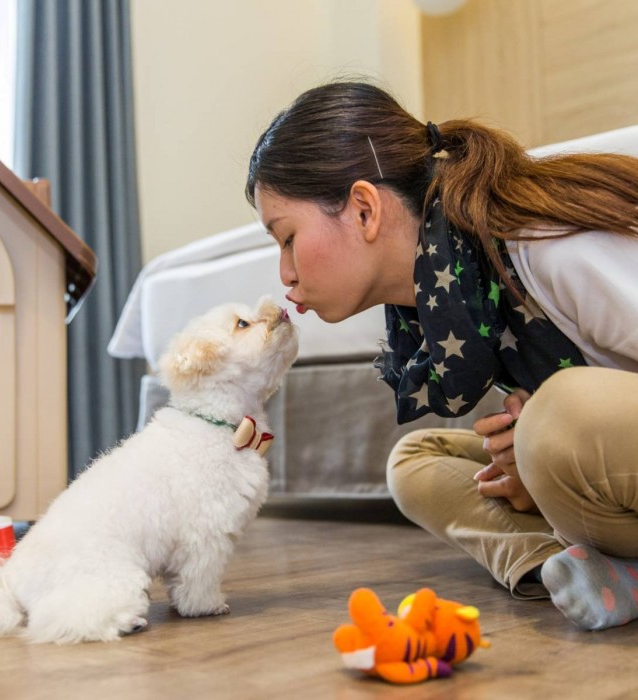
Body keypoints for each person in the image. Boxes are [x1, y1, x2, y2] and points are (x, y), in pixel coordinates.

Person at [245, 80, 638, 631]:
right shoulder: (449, 294)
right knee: (416, 463)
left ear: (363, 209)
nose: (285, 274)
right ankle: (587, 569)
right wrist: (535, 467)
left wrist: (552, 445)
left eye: (286, 238)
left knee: (562, 416)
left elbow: (583, 418)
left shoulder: (542, 242)